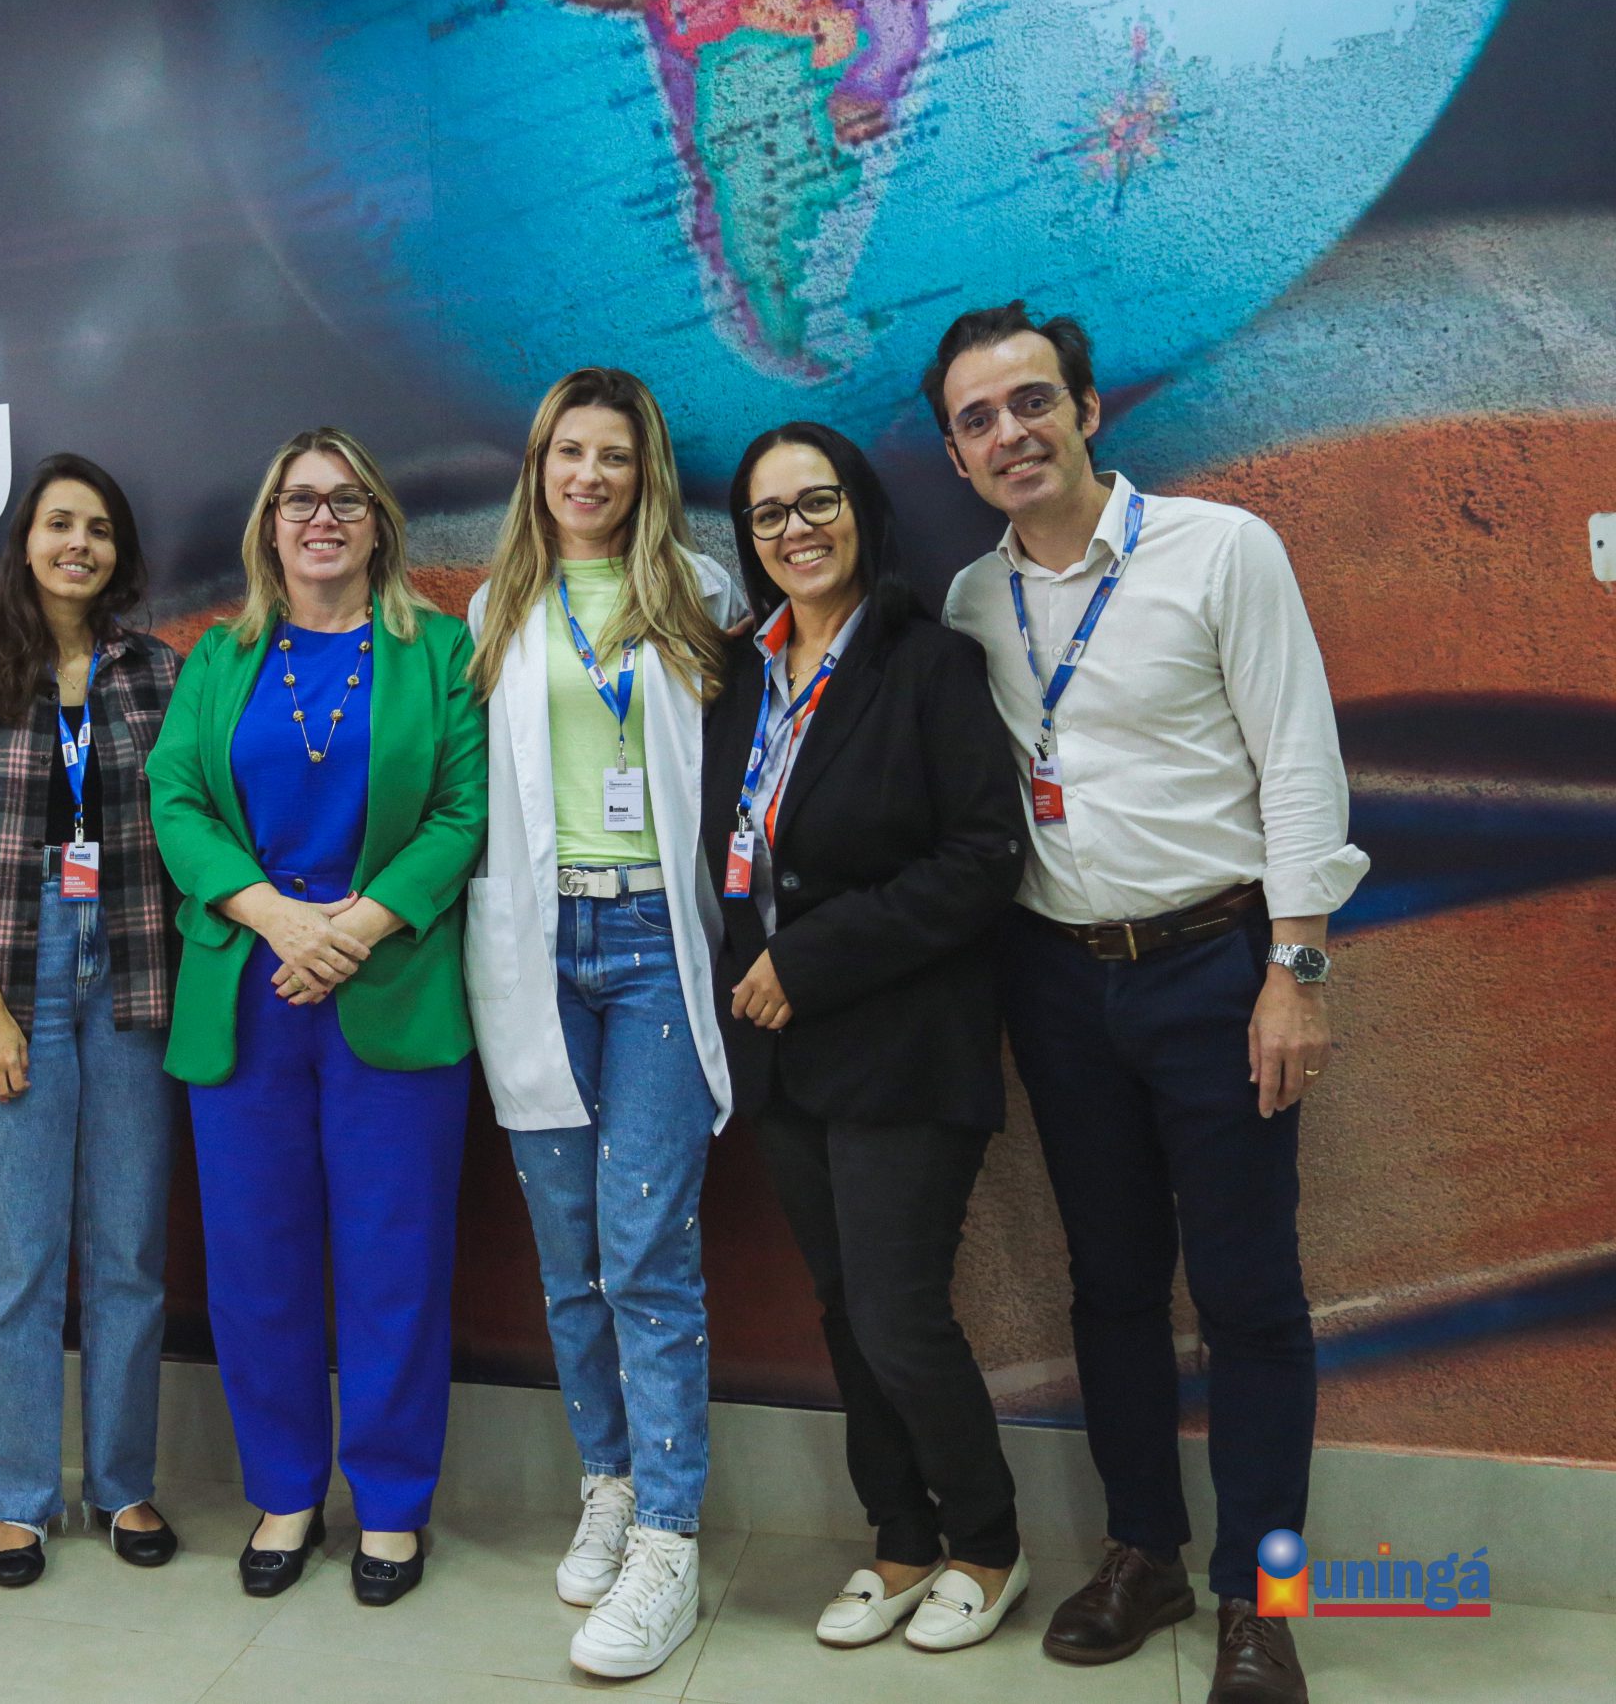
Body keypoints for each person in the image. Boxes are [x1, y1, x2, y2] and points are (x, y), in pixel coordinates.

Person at [929, 302, 1365, 1704]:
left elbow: (1298, 763)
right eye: (978, 420)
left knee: (1250, 1296)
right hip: (1058, 981)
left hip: (1216, 970)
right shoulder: (970, 603)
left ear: (1087, 409)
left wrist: (1296, 973)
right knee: (1110, 1285)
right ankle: (1144, 1552)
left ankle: (1262, 1598)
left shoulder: (1221, 551)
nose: (1011, 433)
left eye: (1031, 401)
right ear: (957, 456)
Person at [697, 421, 1031, 1651]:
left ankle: (987, 1543)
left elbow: (981, 858)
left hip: (901, 1043)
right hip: (778, 1053)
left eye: (816, 502)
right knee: (842, 1307)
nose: (795, 531)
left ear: (861, 512)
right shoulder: (738, 675)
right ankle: (897, 1537)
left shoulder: (929, 663)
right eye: (768, 514)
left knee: (896, 1311)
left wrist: (810, 959)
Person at [147, 426, 485, 1609]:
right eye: (298, 500)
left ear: (380, 522)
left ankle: (390, 1504)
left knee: (396, 1263)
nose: (322, 518)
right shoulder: (219, 657)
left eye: (345, 499)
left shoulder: (440, 652)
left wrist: (359, 926)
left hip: (389, 988)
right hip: (249, 994)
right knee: (257, 1265)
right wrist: (276, 918)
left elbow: (461, 809)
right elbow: (176, 801)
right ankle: (284, 1492)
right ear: (269, 526)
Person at [462, 367, 745, 1679]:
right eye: (568, 452)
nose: (588, 475)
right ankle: (611, 1484)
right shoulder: (497, 607)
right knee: (568, 1248)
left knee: (645, 1249)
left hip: (651, 950)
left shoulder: (702, 593)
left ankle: (671, 1540)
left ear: (646, 475)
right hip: (538, 945)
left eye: (613, 457)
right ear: (539, 467)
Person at [0, 454, 184, 1587]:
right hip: (12, 979)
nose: (80, 544)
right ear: (24, 541)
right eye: (60, 523)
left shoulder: (156, 672)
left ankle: (122, 1483)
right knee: (20, 1260)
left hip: (133, 978)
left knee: (129, 1254)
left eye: (100, 528)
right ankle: (19, 1498)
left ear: (119, 553)